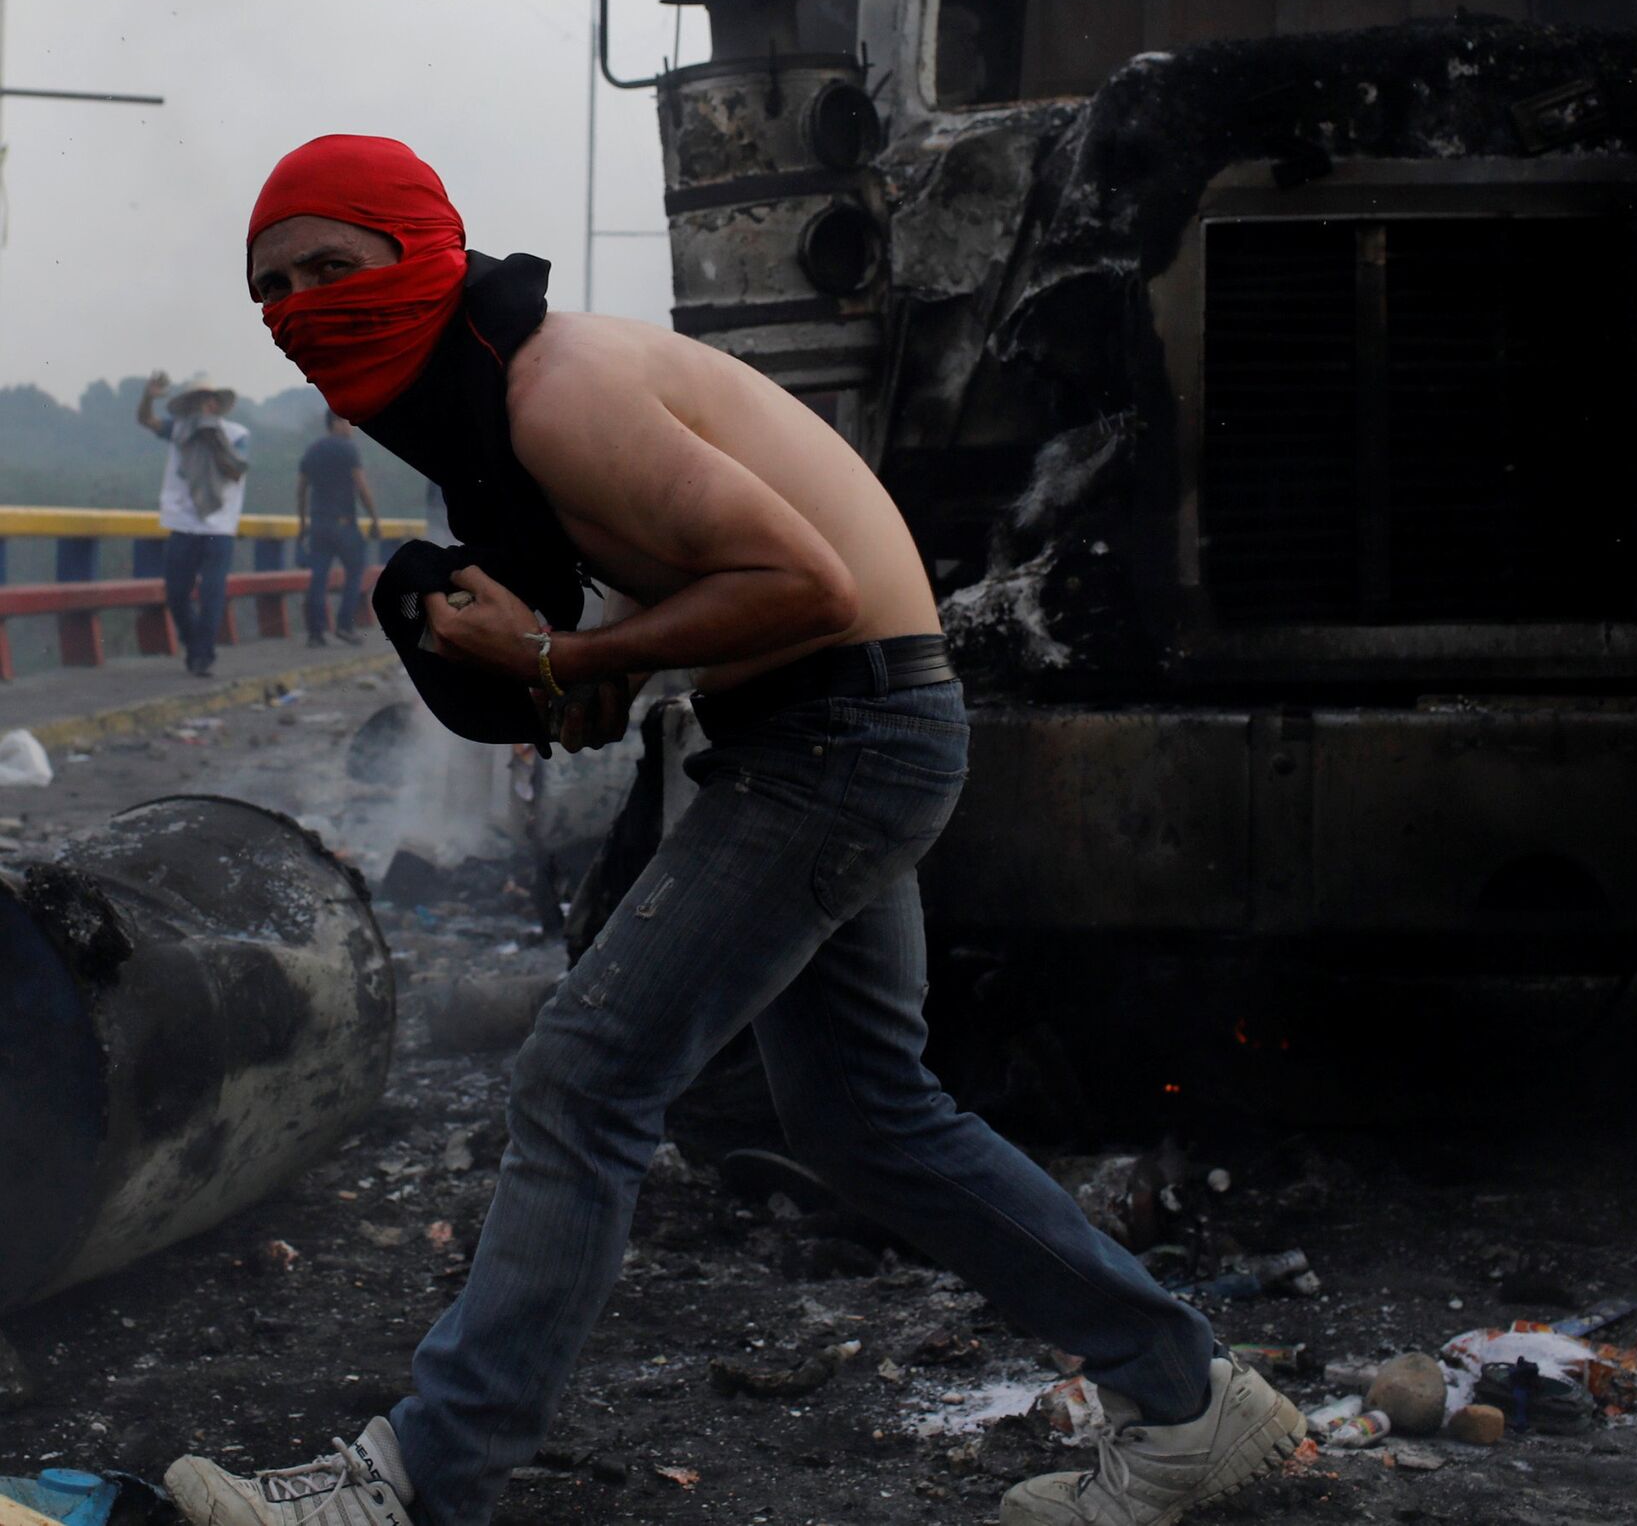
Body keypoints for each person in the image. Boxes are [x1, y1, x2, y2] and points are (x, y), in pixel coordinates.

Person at [164, 134, 1303, 1526]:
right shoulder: (503, 400)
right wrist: (583, 669)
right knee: (863, 1115)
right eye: (273, 289)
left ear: (426, 253)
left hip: (844, 729)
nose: (302, 309)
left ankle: (418, 1485)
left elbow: (810, 585)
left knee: (584, 1075)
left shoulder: (555, 393)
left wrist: (567, 658)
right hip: (823, 722)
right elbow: (693, 596)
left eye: (334, 266)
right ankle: (1187, 1399)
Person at [135, 369, 250, 678]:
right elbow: (146, 420)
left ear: (216, 404)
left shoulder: (236, 434)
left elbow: (236, 470)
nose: (204, 406)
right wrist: (148, 397)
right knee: (176, 593)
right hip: (183, 523)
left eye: (208, 400)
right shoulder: (179, 430)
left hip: (218, 526)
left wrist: (212, 438)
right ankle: (195, 644)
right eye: (198, 400)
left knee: (212, 593)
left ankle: (202, 657)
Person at [298, 411, 382, 647]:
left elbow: (301, 490)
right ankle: (344, 625)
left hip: (318, 524)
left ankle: (315, 633)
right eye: (347, 421)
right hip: (344, 524)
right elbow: (361, 486)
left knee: (318, 577)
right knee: (355, 572)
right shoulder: (348, 449)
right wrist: (374, 519)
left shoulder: (312, 450)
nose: (351, 426)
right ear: (335, 423)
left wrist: (303, 523)